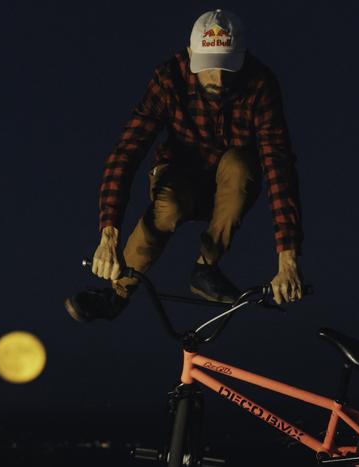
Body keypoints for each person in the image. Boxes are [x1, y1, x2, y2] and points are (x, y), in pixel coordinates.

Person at [65, 9, 304, 322]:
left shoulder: (260, 84)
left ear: (243, 59)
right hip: (178, 175)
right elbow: (127, 152)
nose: (218, 80)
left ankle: (206, 268)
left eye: (228, 68)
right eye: (208, 68)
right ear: (192, 54)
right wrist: (108, 237)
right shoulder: (170, 77)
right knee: (171, 204)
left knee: (241, 164)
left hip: (231, 186)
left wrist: (287, 261)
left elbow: (278, 166)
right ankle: (117, 293)